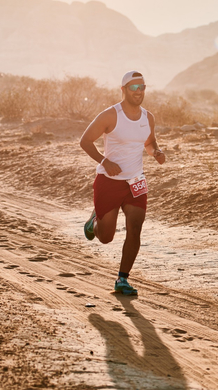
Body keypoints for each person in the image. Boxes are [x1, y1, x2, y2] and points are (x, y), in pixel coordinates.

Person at [79, 71, 165, 296]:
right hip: (109, 182)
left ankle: (122, 279)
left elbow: (149, 141)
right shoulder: (110, 115)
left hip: (136, 181)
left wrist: (155, 151)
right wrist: (104, 161)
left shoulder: (148, 117)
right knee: (106, 237)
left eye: (142, 87)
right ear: (123, 89)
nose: (139, 92)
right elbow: (85, 141)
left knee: (135, 229)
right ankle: (94, 221)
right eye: (134, 88)